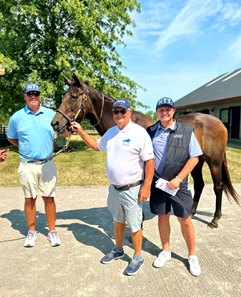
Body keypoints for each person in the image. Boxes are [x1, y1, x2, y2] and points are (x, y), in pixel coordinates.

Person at [71, 98, 154, 276]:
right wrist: (80, 132)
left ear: (129, 113)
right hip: (114, 189)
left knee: (134, 224)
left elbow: (149, 162)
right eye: (115, 111)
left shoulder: (140, 133)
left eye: (122, 111)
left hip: (132, 188)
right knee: (117, 220)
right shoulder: (111, 133)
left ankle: (138, 256)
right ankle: (118, 249)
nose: (118, 115)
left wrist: (147, 186)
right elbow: (96, 145)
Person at [147, 97, 203, 277]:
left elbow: (194, 157)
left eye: (168, 109)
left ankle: (192, 256)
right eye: (161, 109)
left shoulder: (186, 131)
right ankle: (165, 251)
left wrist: (179, 178)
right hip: (159, 183)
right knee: (162, 217)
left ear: (173, 111)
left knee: (185, 219)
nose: (164, 112)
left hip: (179, 184)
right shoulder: (150, 131)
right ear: (157, 112)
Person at [7, 82, 61, 248]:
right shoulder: (16, 117)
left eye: (36, 94)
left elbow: (62, 132)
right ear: (24, 96)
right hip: (27, 165)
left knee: (49, 198)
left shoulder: (51, 114)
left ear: (40, 96)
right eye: (29, 94)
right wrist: (25, 148)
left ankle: (52, 231)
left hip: (47, 163)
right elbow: (11, 138)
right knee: (30, 199)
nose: (33, 97)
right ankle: (31, 231)